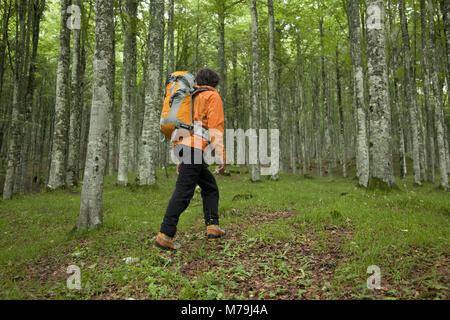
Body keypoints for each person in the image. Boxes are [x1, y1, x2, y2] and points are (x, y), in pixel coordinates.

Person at [155, 69, 226, 251]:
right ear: (214, 83)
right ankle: (165, 235)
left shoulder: (190, 97)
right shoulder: (211, 96)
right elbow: (215, 126)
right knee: (184, 192)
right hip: (193, 149)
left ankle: (213, 227)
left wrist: (179, 157)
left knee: (210, 186)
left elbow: (180, 124)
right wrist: (221, 155)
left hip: (184, 148)